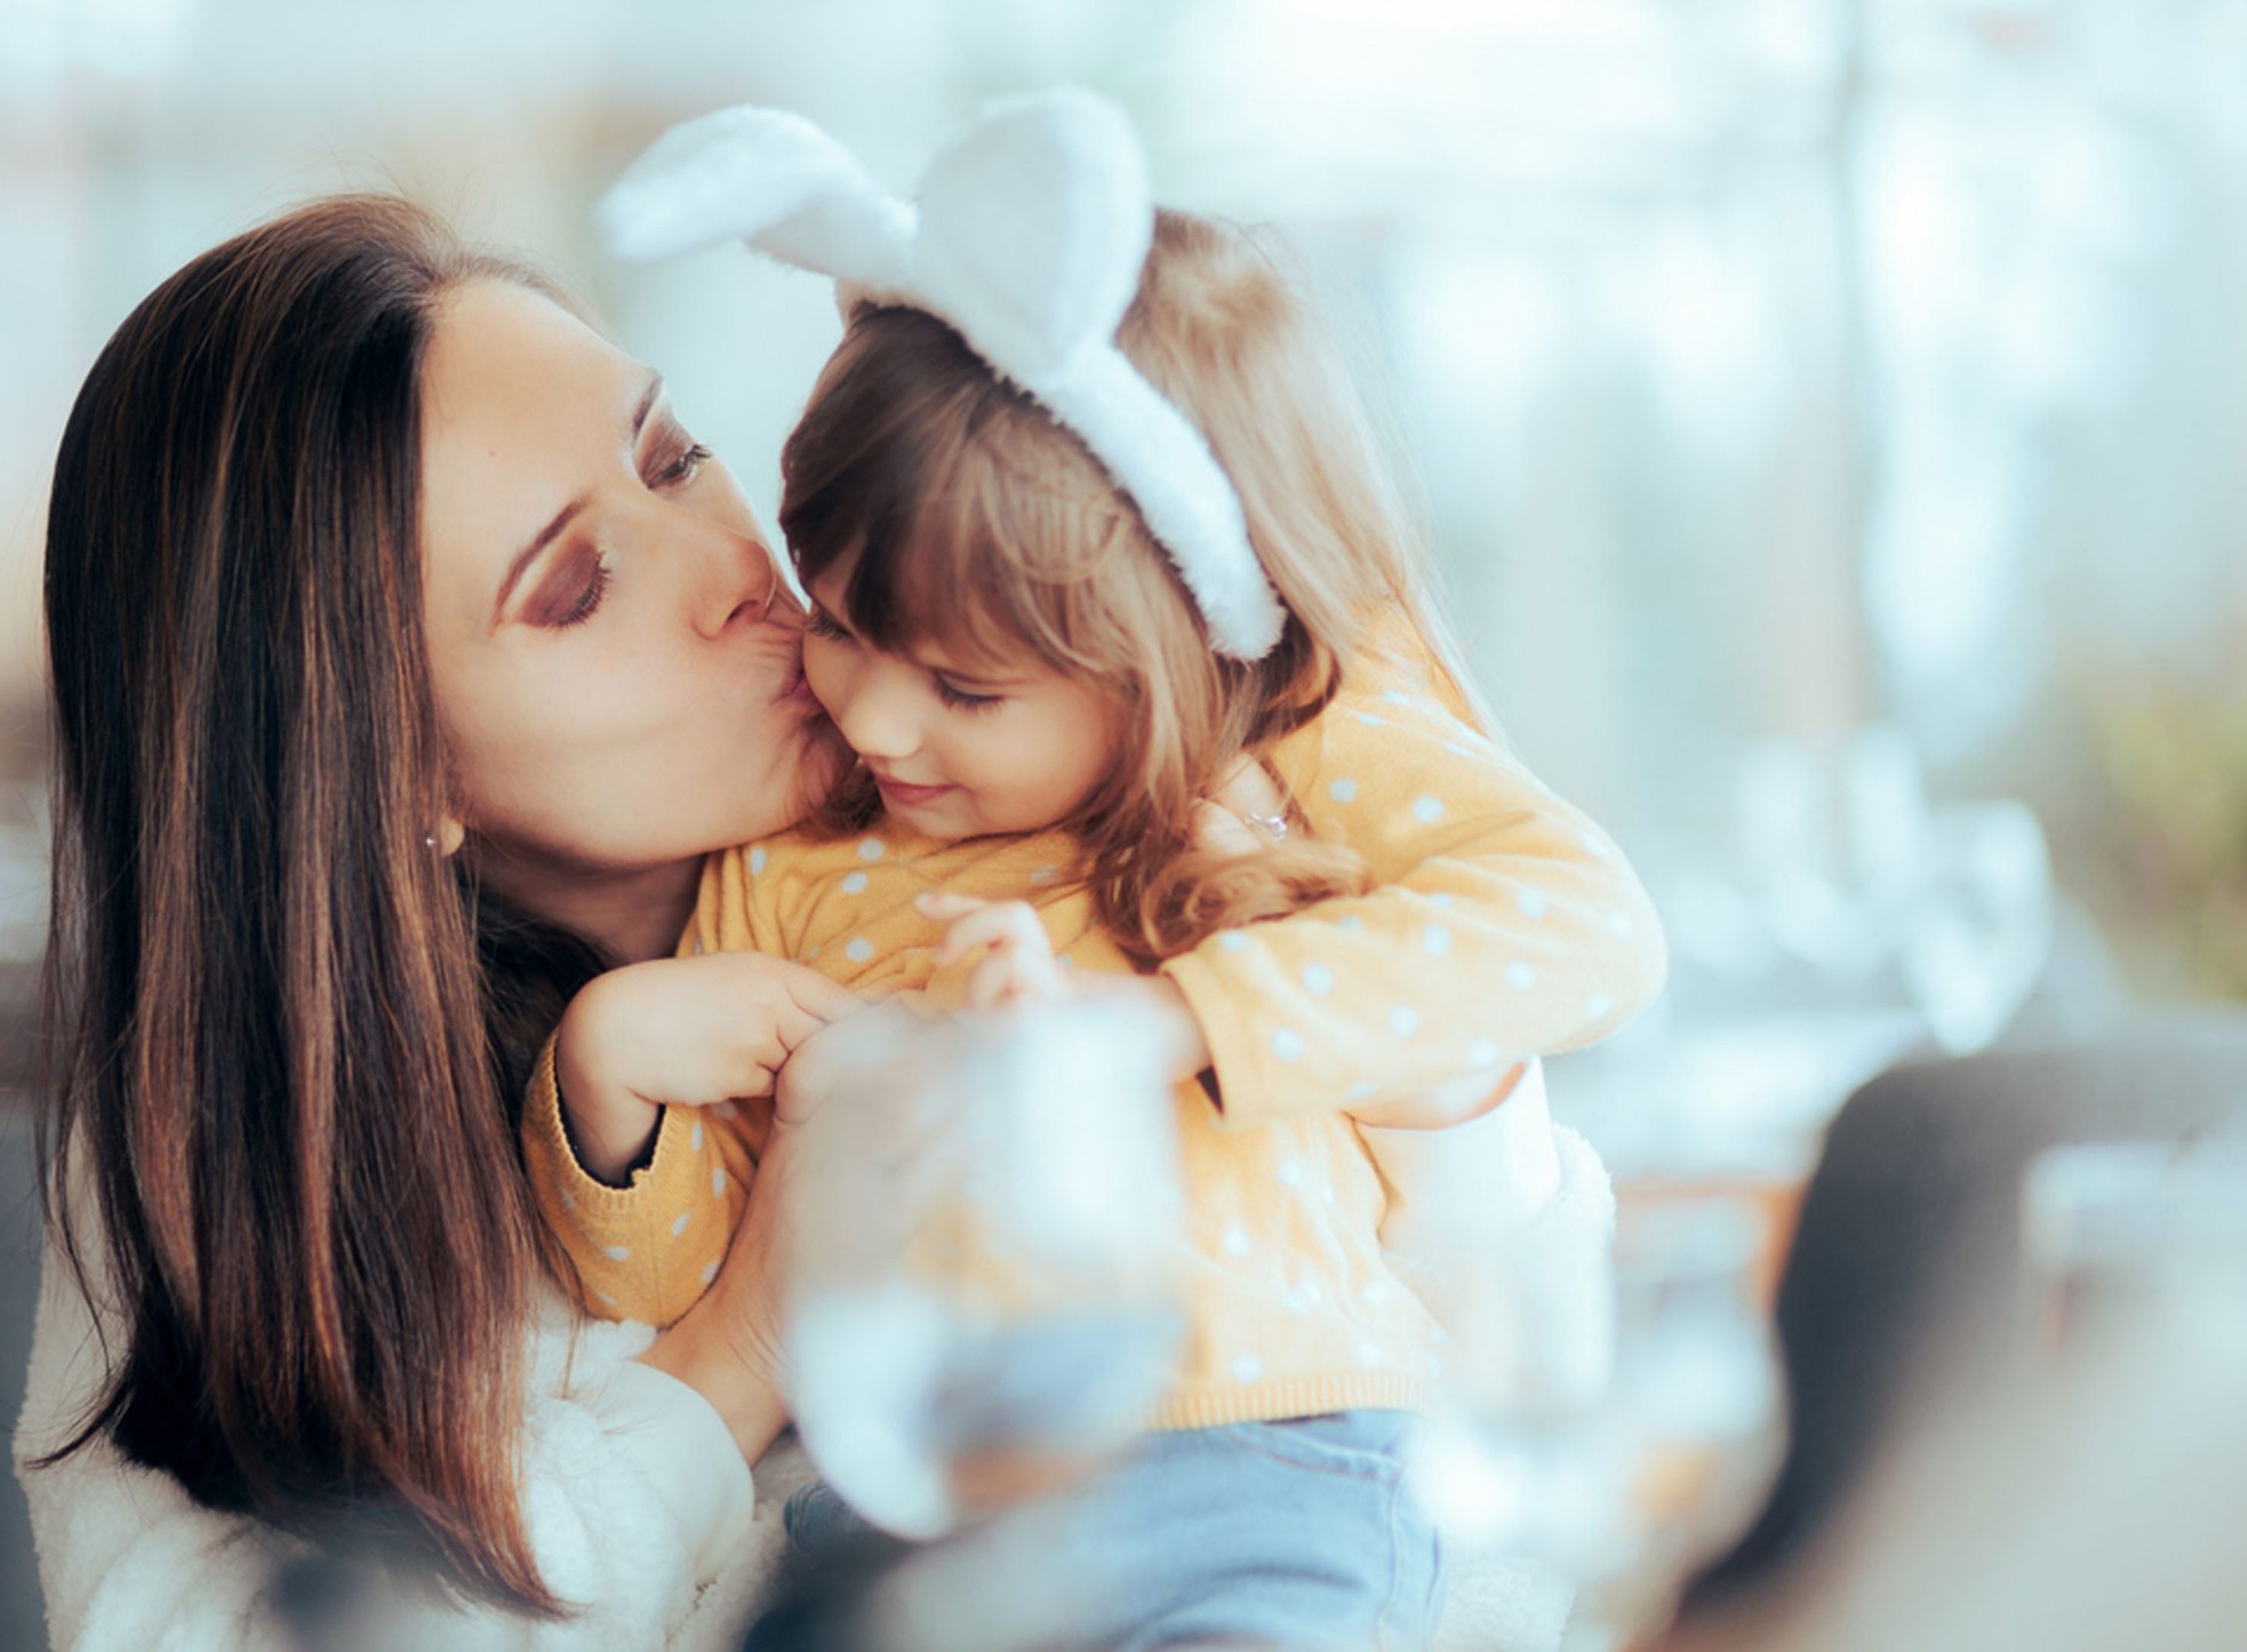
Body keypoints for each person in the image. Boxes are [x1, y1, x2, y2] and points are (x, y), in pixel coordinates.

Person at [528, 96, 1666, 1650]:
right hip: (909, 1508)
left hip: (1262, 1460)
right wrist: (611, 1086)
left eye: (965, 688)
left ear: (1177, 647)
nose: (866, 712)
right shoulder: (787, 872)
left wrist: (1162, 1023)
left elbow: (1586, 928)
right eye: (848, 623)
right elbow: (699, 1298)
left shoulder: (1261, 752)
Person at [12, 192, 865, 1652]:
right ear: (391, 769)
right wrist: (736, 1362)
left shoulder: (1043, 852)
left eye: (674, 459)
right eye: (579, 588)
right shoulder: (247, 1146)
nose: (733, 572)